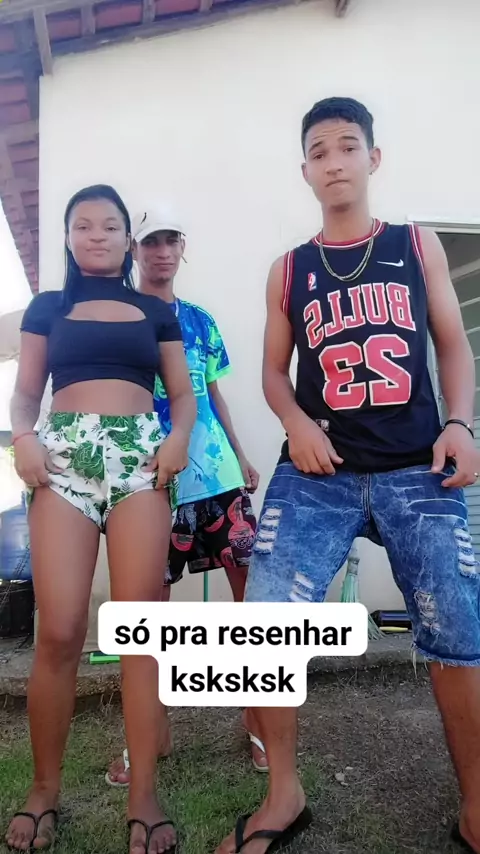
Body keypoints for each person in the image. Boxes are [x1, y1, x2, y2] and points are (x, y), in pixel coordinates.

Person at [215, 97, 480, 854]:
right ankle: (284, 793)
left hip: (416, 465)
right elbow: (273, 372)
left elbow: (452, 344)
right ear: (304, 170)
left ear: (373, 158)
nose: (334, 161)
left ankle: (476, 804)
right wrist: (296, 424)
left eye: (348, 145)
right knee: (265, 622)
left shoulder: (416, 245)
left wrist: (461, 423)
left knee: (458, 626)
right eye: (319, 151)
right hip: (319, 472)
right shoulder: (289, 269)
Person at [5, 185, 196, 854]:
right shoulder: (49, 307)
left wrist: (178, 440)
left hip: (140, 461)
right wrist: (22, 439)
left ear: (126, 240)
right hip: (64, 460)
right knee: (59, 631)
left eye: (109, 225)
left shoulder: (154, 310)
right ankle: (43, 791)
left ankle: (143, 794)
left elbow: (182, 394)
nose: (96, 235)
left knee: (139, 630)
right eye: (82, 225)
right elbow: (25, 393)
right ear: (67, 237)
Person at [105, 207, 267, 789]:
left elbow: (213, 395)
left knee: (253, 601)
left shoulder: (200, 320)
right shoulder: (120, 319)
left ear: (182, 248)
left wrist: (241, 454)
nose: (162, 251)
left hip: (218, 479)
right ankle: (149, 734)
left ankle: (259, 725)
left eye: (171, 240)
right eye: (152, 241)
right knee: (148, 613)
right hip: (150, 483)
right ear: (135, 249)